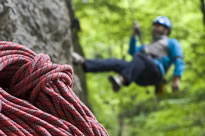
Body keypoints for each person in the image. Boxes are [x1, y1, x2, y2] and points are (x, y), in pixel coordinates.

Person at [72, 16, 185, 93]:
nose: (156, 27)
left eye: (159, 25)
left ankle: (121, 79)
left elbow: (178, 59)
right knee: (116, 63)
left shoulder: (171, 42)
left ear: (166, 30)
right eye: (155, 25)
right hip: (140, 75)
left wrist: (176, 78)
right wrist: (134, 36)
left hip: (155, 72)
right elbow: (132, 52)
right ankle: (84, 62)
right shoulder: (147, 46)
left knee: (140, 57)